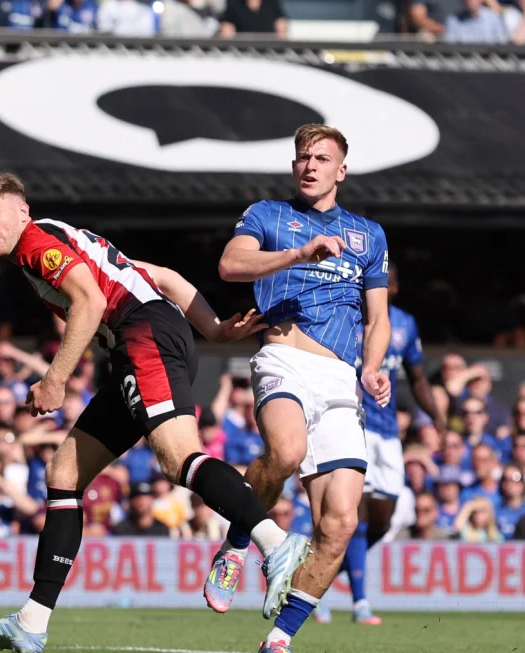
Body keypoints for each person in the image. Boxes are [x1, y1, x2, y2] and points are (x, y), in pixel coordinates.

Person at [0, 172, 310, 653]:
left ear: (22, 210)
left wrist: (57, 378)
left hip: (142, 335)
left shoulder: (37, 243)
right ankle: (32, 622)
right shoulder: (59, 240)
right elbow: (161, 276)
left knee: (177, 457)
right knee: (64, 472)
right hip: (147, 336)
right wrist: (212, 329)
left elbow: (90, 301)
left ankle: (274, 542)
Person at [204, 124, 392, 653]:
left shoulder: (368, 234)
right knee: (286, 452)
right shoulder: (268, 215)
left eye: (321, 158)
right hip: (283, 355)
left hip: (340, 378)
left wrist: (373, 367)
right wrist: (298, 254)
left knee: (340, 523)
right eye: (302, 158)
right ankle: (238, 542)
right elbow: (231, 265)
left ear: (341, 170)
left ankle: (279, 640)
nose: (309, 165)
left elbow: (377, 318)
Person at [315, 263, 445, 626]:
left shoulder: (404, 324)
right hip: (354, 424)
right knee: (355, 516)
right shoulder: (348, 319)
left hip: (390, 434)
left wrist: (436, 417)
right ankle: (360, 604)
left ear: (395, 288)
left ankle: (314, 581)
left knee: (383, 519)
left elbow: (417, 377)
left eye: (383, 284)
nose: (376, 289)